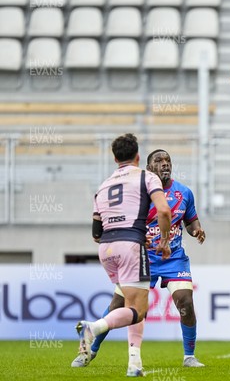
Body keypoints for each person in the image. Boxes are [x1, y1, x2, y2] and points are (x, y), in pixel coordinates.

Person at [72, 149, 207, 368]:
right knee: (117, 305)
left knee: (186, 301)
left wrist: (197, 231)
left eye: (168, 161)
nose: (165, 164)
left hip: (173, 259)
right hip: (141, 258)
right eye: (159, 161)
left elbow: (191, 222)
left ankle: (189, 356)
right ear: (149, 166)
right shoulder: (137, 193)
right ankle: (90, 351)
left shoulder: (184, 193)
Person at [75, 133, 172, 377]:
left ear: (114, 157)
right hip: (130, 245)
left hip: (106, 249)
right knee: (138, 309)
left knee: (130, 303)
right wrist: (163, 240)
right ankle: (92, 328)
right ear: (138, 156)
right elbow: (163, 210)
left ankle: (134, 364)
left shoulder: (103, 185)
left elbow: (96, 232)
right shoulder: (146, 176)